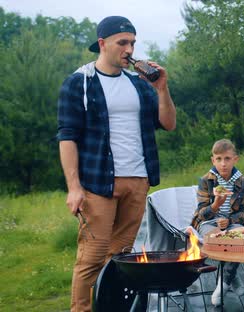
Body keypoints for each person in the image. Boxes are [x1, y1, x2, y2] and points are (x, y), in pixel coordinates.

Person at [57, 16, 176, 312]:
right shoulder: (80, 82)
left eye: (132, 43)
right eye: (122, 42)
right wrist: (74, 188)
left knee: (121, 256)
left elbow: (168, 124)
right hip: (98, 183)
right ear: (102, 44)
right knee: (92, 257)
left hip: (138, 180)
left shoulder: (139, 84)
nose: (129, 49)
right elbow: (67, 137)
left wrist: (161, 88)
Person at [191, 139, 244, 306]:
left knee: (238, 239)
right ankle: (232, 275)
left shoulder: (243, 183)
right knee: (215, 237)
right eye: (218, 159)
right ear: (213, 160)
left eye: (227, 159)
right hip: (209, 221)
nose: (223, 164)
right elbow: (202, 214)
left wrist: (230, 220)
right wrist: (216, 205)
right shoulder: (205, 181)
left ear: (235, 159)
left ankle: (223, 283)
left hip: (231, 221)